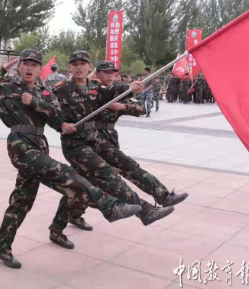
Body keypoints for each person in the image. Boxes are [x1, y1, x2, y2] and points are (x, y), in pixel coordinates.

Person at [0, 49, 143, 269]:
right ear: (19, 66)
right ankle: (109, 205)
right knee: (67, 173)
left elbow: (56, 118)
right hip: (20, 145)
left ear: (39, 68)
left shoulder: (45, 93)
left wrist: (46, 111)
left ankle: (2, 246)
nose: (30, 68)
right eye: (26, 64)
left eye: (35, 64)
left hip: (39, 145)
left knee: (22, 201)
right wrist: (1, 69)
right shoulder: (6, 88)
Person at [49, 51, 174, 244]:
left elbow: (117, 93)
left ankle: (58, 227)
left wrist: (131, 88)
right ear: (70, 68)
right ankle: (146, 211)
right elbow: (47, 108)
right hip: (75, 143)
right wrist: (60, 125)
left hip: (96, 141)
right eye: (75, 64)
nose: (79, 67)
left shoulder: (97, 88)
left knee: (82, 186)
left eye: (83, 63)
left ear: (89, 67)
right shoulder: (61, 88)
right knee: (106, 176)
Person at [67, 60, 188, 230]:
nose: (110, 76)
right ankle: (152, 205)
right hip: (91, 140)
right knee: (104, 180)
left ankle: (162, 196)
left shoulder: (116, 90)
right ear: (97, 73)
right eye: (106, 72)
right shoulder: (91, 89)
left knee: (100, 179)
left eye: (113, 73)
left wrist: (121, 106)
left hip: (108, 139)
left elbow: (140, 108)